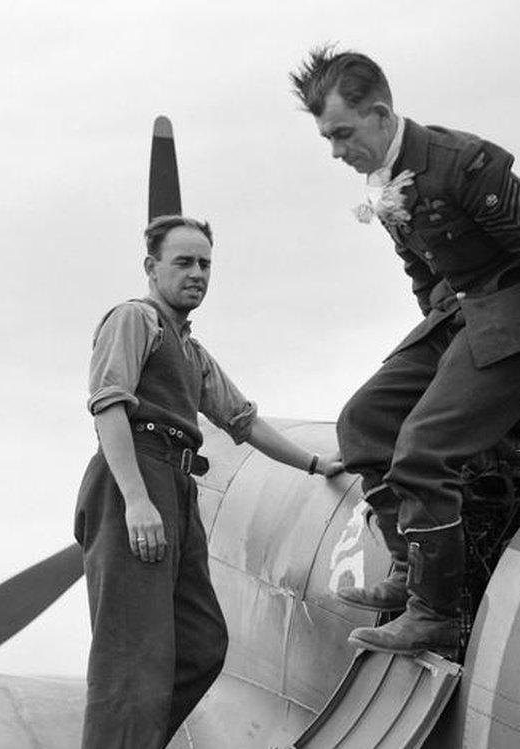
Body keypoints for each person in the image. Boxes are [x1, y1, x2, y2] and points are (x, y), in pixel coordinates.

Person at [289, 48, 520, 657]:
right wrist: (449, 369)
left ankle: (437, 611)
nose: (336, 151)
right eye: (326, 138)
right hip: (464, 316)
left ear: (380, 114)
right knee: (363, 422)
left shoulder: (461, 164)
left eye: (342, 133)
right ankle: (409, 569)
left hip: (519, 318)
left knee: (422, 451)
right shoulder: (385, 182)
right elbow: (423, 269)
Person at [72, 214, 342, 749]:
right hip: (135, 477)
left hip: (178, 486)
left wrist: (318, 465)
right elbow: (108, 407)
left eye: (205, 264)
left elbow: (244, 422)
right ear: (152, 268)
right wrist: (135, 501)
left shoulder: (191, 352)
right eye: (184, 262)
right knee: (133, 654)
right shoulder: (134, 319)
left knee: (201, 643)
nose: (197, 273)